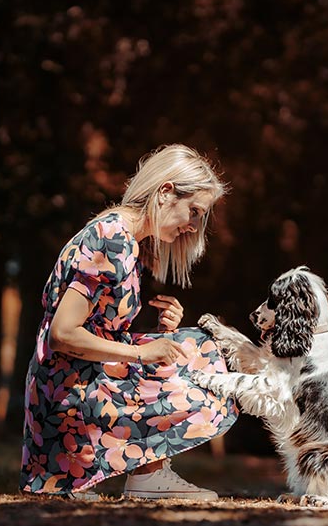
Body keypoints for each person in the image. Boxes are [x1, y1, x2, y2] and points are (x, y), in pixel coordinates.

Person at [20, 144, 238, 500]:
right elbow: (62, 334)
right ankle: (146, 475)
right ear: (166, 192)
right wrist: (143, 354)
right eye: (194, 211)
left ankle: (149, 472)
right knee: (201, 352)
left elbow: (99, 330)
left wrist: (163, 332)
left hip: (80, 384)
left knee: (189, 344)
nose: (194, 225)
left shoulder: (129, 244)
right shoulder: (110, 237)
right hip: (67, 393)